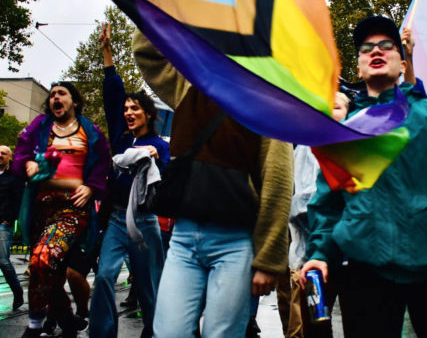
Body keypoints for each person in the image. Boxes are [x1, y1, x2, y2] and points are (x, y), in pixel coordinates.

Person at [301, 15, 427, 338]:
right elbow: (328, 206)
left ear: (402, 63)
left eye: (387, 45)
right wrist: (319, 255)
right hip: (367, 272)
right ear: (358, 68)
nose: (376, 51)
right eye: (366, 48)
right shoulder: (345, 133)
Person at [132, 29, 294, 338]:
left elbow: (278, 181)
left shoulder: (268, 101)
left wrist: (269, 260)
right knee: (168, 333)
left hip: (235, 244)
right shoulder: (188, 86)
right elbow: (146, 51)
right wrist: (175, 4)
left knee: (221, 334)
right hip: (182, 240)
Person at [89, 23, 170, 338]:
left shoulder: (160, 145)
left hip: (146, 223)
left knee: (149, 286)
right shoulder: (121, 137)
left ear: (147, 114)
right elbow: (112, 94)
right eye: (126, 109)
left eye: (134, 108)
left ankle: (153, 331)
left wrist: (153, 156)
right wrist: (107, 52)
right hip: (117, 219)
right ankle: (103, 332)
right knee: (106, 276)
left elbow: (162, 181)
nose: (128, 112)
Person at [12, 82, 110, 338]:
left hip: (72, 210)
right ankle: (67, 319)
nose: (55, 97)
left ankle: (34, 326)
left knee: (42, 258)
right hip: (41, 208)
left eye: (61, 93)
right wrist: (28, 164)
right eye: (52, 94)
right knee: (47, 270)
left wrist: (91, 188)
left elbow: (102, 165)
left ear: (74, 101)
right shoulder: (39, 127)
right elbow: (21, 154)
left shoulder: (90, 130)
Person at [287, 92, 350, 338]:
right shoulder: (306, 146)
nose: (330, 112)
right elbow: (301, 199)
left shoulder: (358, 145)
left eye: (336, 107)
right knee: (316, 322)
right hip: (313, 252)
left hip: (353, 256)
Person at [0, 144, 24, 311]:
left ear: (9, 157)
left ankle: (18, 291)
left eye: (3, 153)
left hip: (3, 224)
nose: (0, 155)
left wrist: (9, 219)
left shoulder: (14, 177)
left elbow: (19, 201)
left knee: (2, 261)